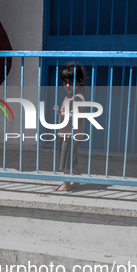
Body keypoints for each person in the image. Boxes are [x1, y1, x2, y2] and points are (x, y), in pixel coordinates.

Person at [52, 62, 85, 192]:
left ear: (80, 81)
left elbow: (74, 115)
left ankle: (66, 185)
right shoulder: (70, 96)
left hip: (71, 134)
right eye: (65, 82)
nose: (67, 85)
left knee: (65, 161)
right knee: (68, 160)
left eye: (71, 82)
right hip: (65, 133)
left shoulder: (78, 98)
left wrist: (61, 113)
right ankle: (78, 179)